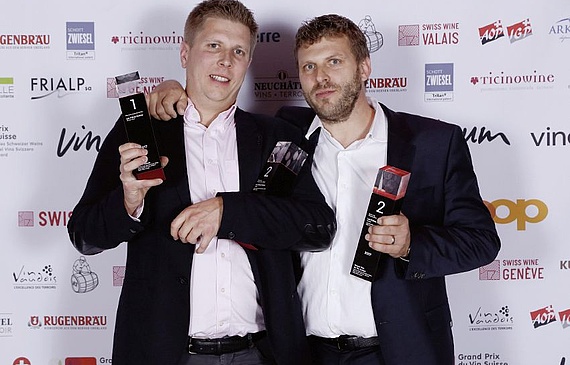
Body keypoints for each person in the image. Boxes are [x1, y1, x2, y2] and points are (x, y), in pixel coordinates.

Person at [148, 13, 501, 365]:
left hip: (399, 349)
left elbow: (481, 242)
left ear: (364, 67)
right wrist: (173, 90)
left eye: (334, 61)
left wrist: (412, 244)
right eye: (309, 67)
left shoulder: (432, 143)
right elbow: (211, 102)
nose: (322, 78)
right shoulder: (286, 135)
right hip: (306, 353)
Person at [67, 1, 336, 365]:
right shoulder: (142, 131)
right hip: (166, 354)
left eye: (238, 51)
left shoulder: (278, 137)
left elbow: (317, 227)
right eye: (214, 45)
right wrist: (129, 200)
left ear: (247, 63)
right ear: (184, 52)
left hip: (262, 353)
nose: (226, 60)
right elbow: (85, 236)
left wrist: (229, 214)